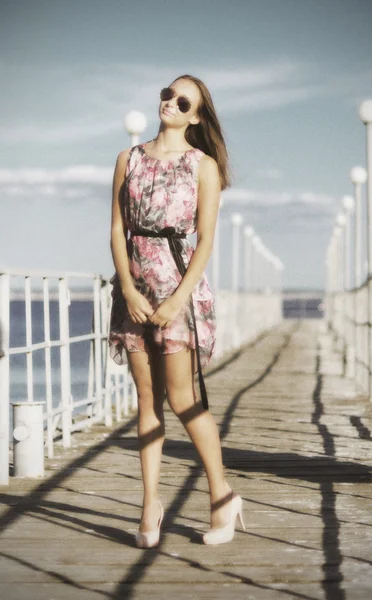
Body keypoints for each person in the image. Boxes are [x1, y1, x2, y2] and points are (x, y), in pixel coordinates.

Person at [108, 74, 246, 547]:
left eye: (182, 99)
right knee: (147, 404)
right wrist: (126, 288)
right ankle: (150, 504)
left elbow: (205, 241)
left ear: (197, 115)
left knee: (184, 400)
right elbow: (116, 230)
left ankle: (222, 496)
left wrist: (176, 299)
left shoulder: (203, 166)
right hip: (134, 292)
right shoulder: (128, 158)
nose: (170, 101)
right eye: (168, 93)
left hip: (178, 291)